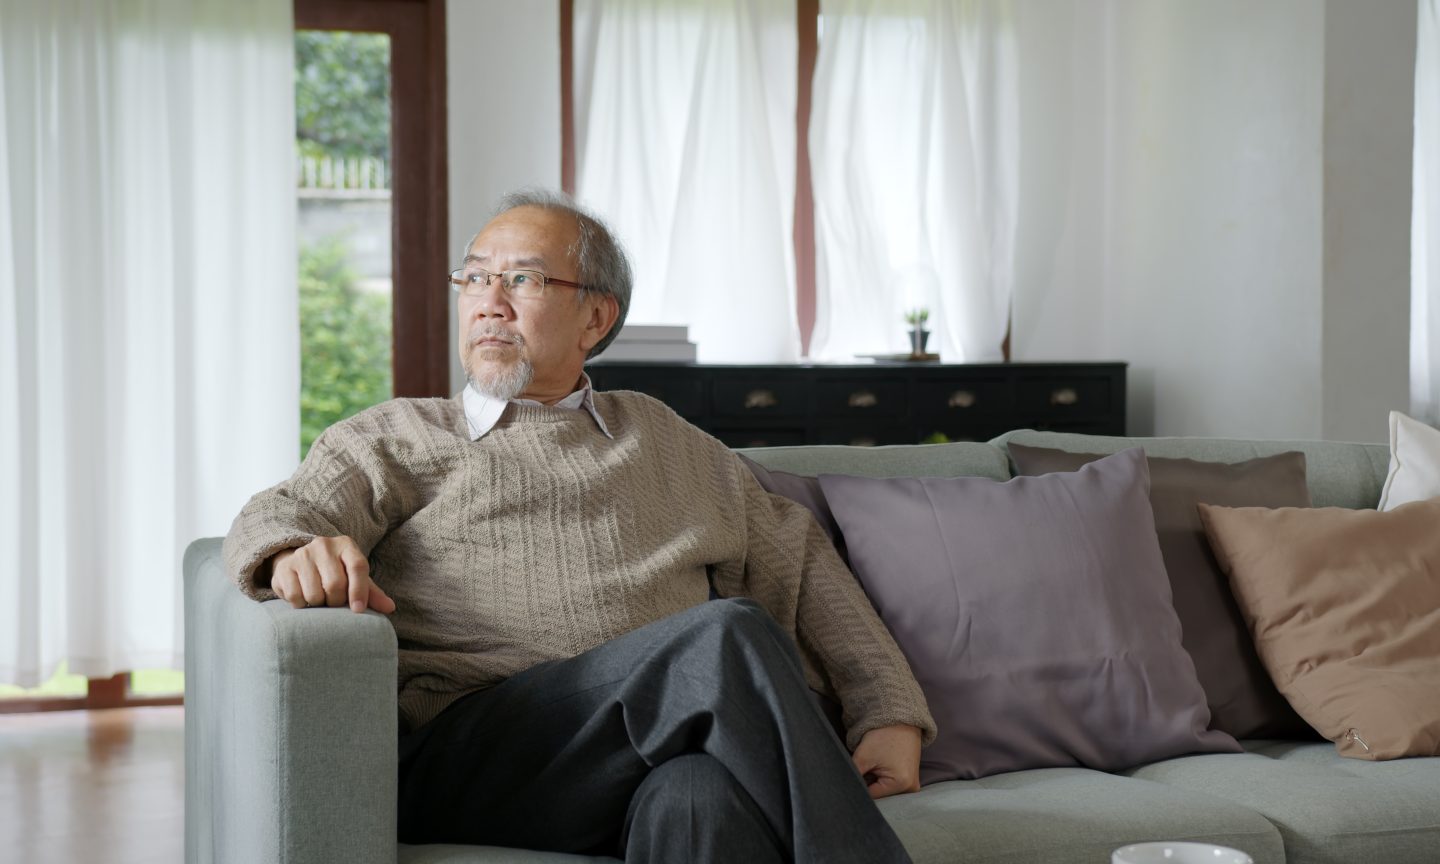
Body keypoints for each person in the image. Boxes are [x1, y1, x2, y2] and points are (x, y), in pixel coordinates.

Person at [223, 189, 935, 864]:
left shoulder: (665, 440)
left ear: (595, 318)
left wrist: (887, 713)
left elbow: (797, 555)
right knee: (724, 638)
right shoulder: (398, 437)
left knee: (699, 799)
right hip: (472, 752)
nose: (489, 303)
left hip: (627, 767)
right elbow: (278, 511)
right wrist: (291, 550)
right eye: (475, 278)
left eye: (522, 280)